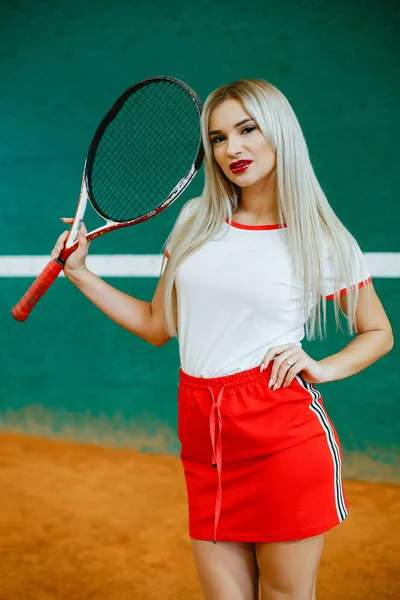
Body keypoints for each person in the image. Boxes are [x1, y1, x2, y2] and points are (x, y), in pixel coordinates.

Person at [51, 79, 394, 600]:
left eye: (247, 129)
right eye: (217, 138)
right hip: (204, 436)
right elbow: (156, 325)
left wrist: (323, 367)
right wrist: (79, 274)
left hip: (282, 438)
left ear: (280, 133)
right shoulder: (195, 222)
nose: (232, 148)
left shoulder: (321, 238)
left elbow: (378, 332)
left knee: (285, 595)